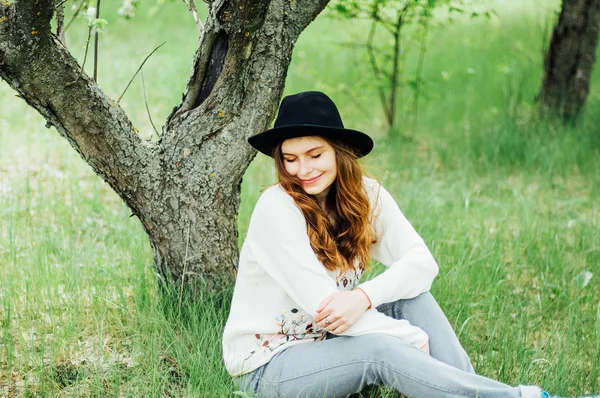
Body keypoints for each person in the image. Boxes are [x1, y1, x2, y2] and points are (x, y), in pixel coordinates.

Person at [222, 91, 597, 398]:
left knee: (409, 296)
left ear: (339, 151)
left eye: (315, 155)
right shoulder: (277, 208)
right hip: (269, 366)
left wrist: (365, 297)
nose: (302, 171)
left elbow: (421, 262)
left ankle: (468, 390)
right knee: (382, 351)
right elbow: (325, 308)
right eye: (290, 159)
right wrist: (410, 339)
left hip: (332, 339)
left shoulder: (365, 195)